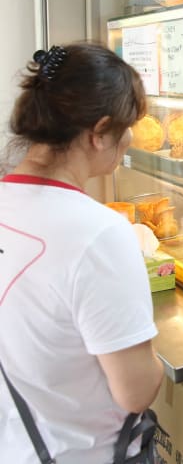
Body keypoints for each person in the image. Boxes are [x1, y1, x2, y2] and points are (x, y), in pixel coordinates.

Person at [0, 43, 164, 463]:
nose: (128, 138)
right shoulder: (100, 234)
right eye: (127, 126)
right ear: (100, 130)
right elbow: (136, 393)